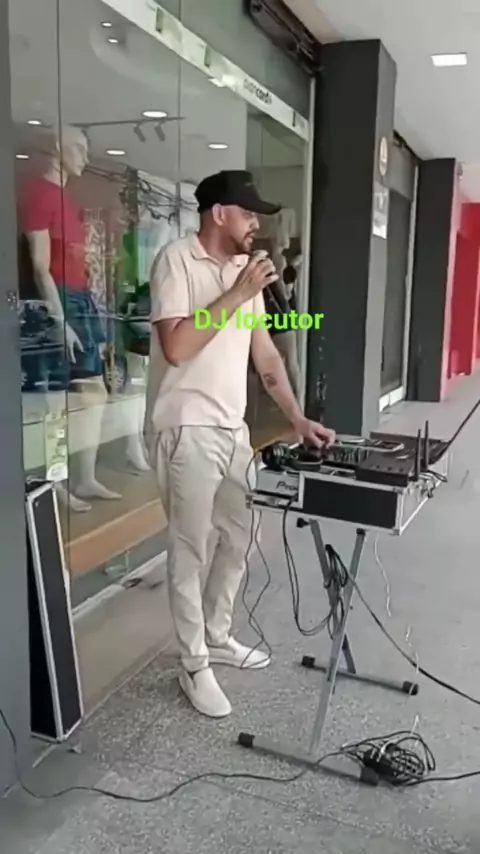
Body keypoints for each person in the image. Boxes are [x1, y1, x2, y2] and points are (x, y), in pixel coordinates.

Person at [144, 170, 336, 719]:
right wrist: (236, 294)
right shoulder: (177, 261)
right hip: (187, 428)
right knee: (190, 549)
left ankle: (217, 634)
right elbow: (177, 346)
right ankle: (193, 664)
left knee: (240, 536)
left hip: (234, 432)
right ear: (220, 213)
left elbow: (266, 355)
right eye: (249, 214)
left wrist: (297, 419)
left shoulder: (242, 273)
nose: (256, 225)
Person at [264, 263, 302, 399]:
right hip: (284, 326)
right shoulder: (274, 286)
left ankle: (292, 394)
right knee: (290, 364)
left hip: (277, 328)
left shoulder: (268, 288)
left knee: (283, 364)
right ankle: (296, 395)